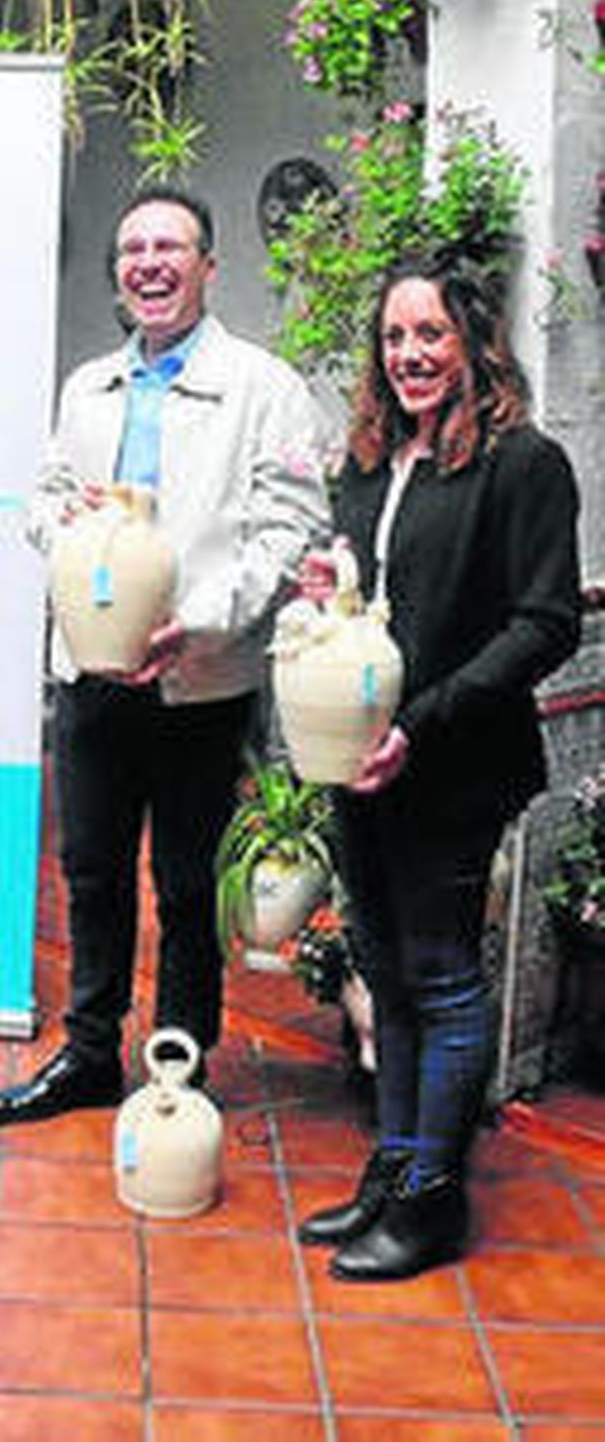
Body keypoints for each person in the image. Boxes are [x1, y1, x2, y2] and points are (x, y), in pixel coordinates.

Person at [0, 186, 329, 1126]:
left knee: (185, 880)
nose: (149, 263)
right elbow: (42, 495)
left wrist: (202, 621)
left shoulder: (267, 388)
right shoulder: (88, 386)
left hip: (201, 681)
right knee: (90, 868)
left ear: (209, 267)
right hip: (91, 672)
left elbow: (292, 533)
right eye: (133, 248)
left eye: (170, 246)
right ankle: (90, 1053)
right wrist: (67, 527)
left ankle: (180, 1056)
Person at [292, 254, 580, 1281]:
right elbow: (371, 595)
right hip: (357, 756)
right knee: (383, 970)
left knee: (442, 980)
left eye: (429, 335)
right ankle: (395, 1162)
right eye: (393, 337)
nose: (408, 354)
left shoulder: (522, 462)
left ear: (472, 342)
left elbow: (542, 623)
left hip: (449, 763)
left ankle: (430, 1199)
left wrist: (424, 721)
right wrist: (334, 580)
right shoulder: (370, 459)